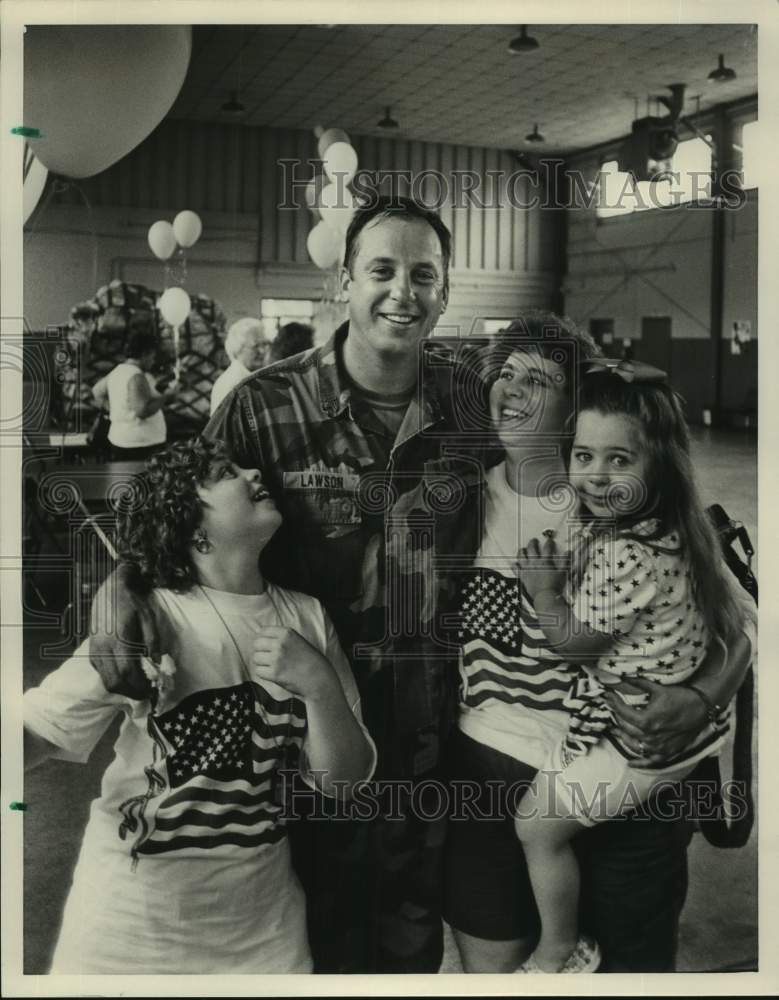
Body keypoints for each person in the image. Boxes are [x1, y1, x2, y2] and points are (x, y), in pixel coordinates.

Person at [87, 204, 752, 974]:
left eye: (423, 275)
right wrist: (116, 595)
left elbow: (694, 560)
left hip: (446, 749)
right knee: (317, 943)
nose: (401, 291)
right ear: (344, 281)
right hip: (315, 742)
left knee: (416, 949)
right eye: (381, 269)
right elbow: (175, 519)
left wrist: (706, 690)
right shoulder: (264, 408)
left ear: (443, 294)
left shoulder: (477, 405)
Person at [430, 318, 756, 973]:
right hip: (485, 774)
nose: (513, 389)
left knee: (626, 971)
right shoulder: (455, 499)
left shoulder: (630, 504)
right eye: (505, 374)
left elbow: (742, 622)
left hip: (622, 780)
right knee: (495, 967)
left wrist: (701, 695)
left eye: (539, 377)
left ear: (574, 402)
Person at [23, 436, 375, 974]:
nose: (255, 470)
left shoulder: (307, 617)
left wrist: (320, 685)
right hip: (126, 931)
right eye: (224, 471)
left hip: (264, 937)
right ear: (193, 528)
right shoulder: (146, 621)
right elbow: (36, 732)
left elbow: (345, 782)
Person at [512, 362, 749, 972]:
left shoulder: (625, 553)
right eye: (584, 456)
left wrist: (543, 593)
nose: (596, 475)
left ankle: (559, 949)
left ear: (659, 466)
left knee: (536, 825)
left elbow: (575, 646)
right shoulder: (668, 527)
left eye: (620, 460)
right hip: (668, 739)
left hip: (642, 744)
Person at [92, 322, 178, 460]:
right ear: (145, 353)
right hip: (140, 444)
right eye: (152, 356)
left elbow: (96, 391)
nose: (153, 361)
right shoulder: (136, 376)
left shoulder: (117, 371)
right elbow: (141, 411)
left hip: (121, 439)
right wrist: (166, 397)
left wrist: (114, 409)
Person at [210, 317, 270, 414]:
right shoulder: (233, 383)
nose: (262, 351)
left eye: (264, 344)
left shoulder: (252, 377)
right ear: (238, 349)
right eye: (255, 346)